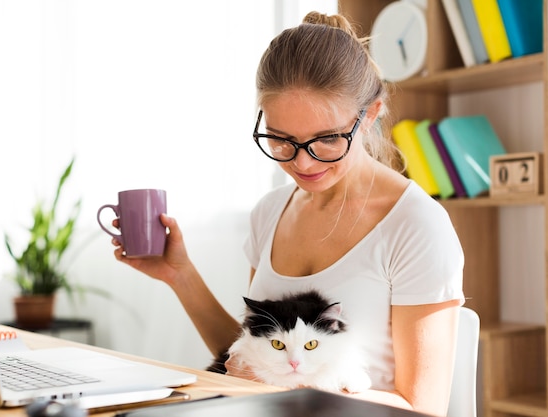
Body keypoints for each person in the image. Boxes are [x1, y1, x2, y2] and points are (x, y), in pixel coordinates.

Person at [111, 11, 464, 417]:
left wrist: (287, 387)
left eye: (327, 139)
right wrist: (181, 275)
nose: (302, 162)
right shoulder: (271, 212)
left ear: (370, 114)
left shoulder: (416, 227)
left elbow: (423, 408)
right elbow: (252, 356)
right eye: (281, 140)